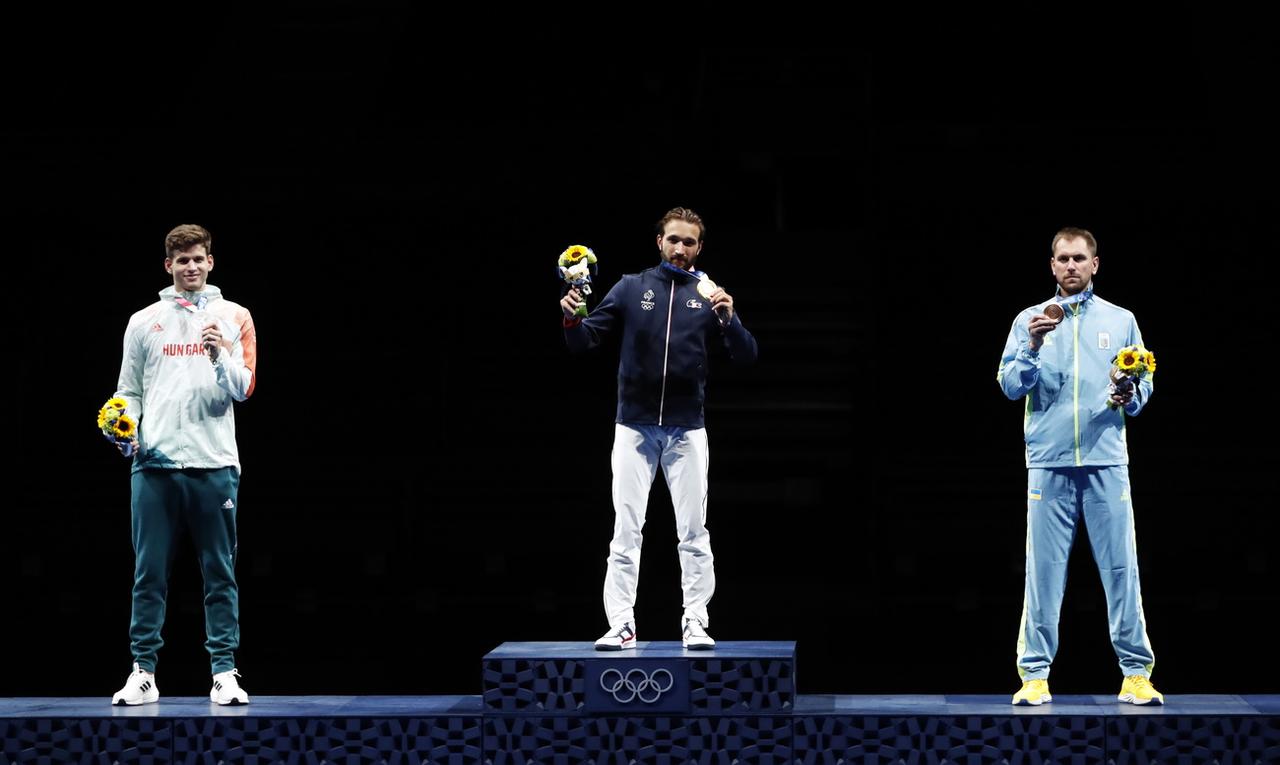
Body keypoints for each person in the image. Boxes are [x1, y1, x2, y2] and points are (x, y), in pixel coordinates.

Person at [561, 207, 757, 650]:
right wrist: (573, 316)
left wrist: (730, 318)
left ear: (699, 247)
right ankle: (621, 624)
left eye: (689, 242)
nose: (680, 249)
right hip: (634, 427)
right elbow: (584, 340)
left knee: (693, 531)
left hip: (687, 430)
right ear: (659, 242)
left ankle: (695, 620)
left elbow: (746, 356)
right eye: (673, 240)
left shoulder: (710, 295)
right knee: (626, 529)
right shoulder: (632, 288)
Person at [997, 227, 1162, 706]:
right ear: (1052, 265)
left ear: (1095, 264)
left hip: (1106, 460)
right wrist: (1029, 346)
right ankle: (1034, 676)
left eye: (1079, 259)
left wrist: (1129, 392)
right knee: (1043, 571)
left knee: (1121, 568)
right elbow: (1009, 386)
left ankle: (1136, 673)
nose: (1071, 266)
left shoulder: (1121, 319)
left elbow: (1143, 386)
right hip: (1048, 463)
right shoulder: (1029, 320)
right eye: (1062, 259)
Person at [109, 224, 258, 705]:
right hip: (154, 465)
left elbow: (243, 387)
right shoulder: (143, 320)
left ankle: (225, 672)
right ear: (168, 266)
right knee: (148, 572)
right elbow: (128, 392)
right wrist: (120, 422)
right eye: (182, 260)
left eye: (198, 258)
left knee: (220, 572)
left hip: (214, 463)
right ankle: (143, 672)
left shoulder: (235, 316)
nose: (191, 267)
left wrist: (217, 354)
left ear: (211, 261)